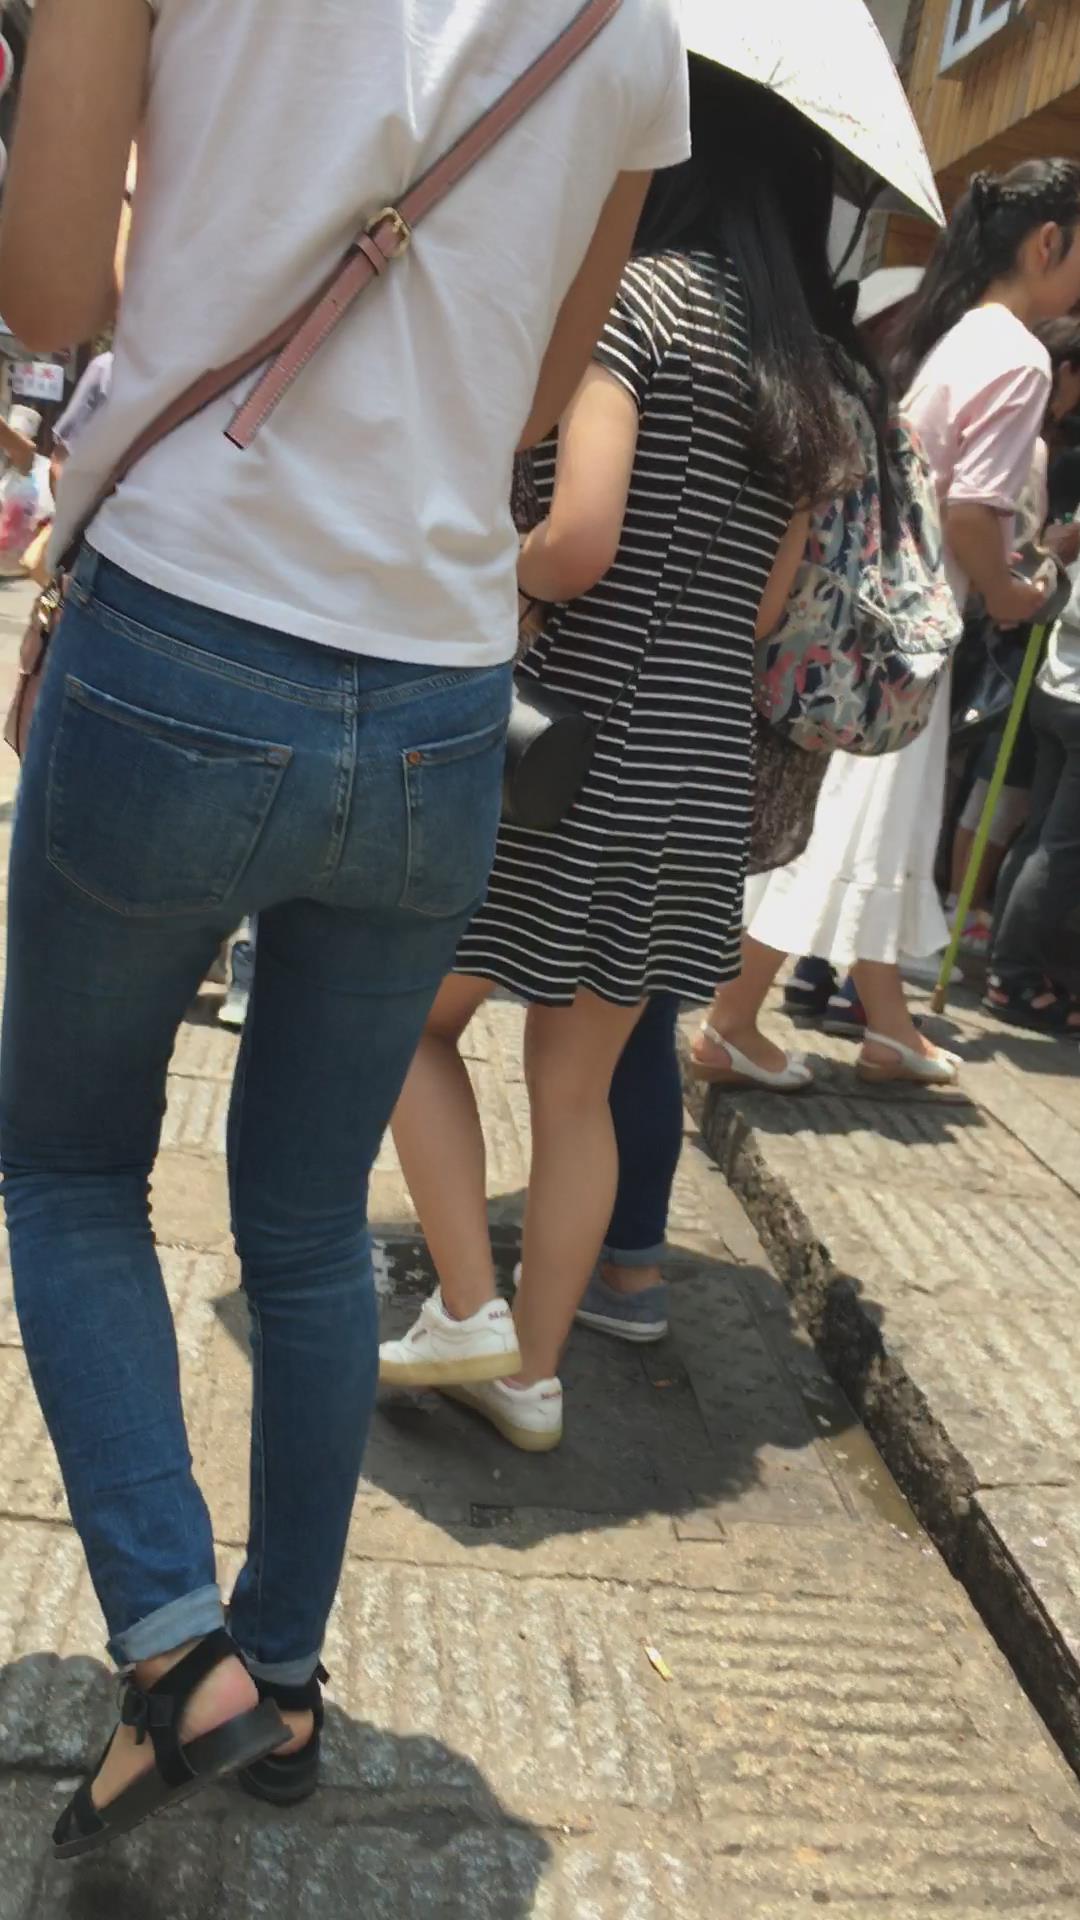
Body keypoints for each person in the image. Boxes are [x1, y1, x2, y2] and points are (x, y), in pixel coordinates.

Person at [0, 0, 690, 1854]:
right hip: (439, 692)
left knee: (68, 1165)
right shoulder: (639, 27)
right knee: (309, 1221)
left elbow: (47, 289)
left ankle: (175, 1645)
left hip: (182, 628)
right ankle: (285, 1676)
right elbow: (536, 402)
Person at [381, 59, 896, 1428]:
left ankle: (467, 1303)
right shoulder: (807, 378)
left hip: (563, 751)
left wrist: (500, 574)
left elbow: (579, 539)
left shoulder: (635, 303)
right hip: (695, 769)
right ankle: (532, 1379)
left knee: (399, 1021)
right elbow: (769, 610)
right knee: (584, 1088)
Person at [691, 159, 1080, 1091]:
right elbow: (971, 511)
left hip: (883, 619)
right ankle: (732, 1021)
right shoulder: (1021, 356)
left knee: (878, 822)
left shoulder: (961, 333)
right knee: (855, 824)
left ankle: (887, 1027)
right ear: (1048, 243)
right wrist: (1014, 593)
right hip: (917, 626)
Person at [985, 526, 1080, 1031]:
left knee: (1040, 838)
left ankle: (1009, 967)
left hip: (1054, 685)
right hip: (1072, 694)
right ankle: (1013, 976)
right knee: (1059, 847)